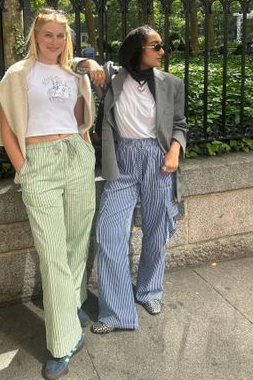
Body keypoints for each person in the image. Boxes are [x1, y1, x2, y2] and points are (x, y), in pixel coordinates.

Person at [0, 8, 104, 379]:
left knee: (76, 242)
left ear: (66, 37)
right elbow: (7, 128)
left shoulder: (74, 73)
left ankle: (73, 304)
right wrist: (23, 170)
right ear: (36, 36)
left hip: (75, 156)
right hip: (38, 163)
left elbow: (80, 120)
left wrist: (86, 150)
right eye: (48, 35)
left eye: (60, 35)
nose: (54, 41)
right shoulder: (18, 75)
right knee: (52, 253)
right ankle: (62, 341)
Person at [76, 25, 188, 334]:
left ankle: (149, 291)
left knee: (156, 228)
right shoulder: (113, 78)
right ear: (138, 49)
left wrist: (174, 151)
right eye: (157, 45)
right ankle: (116, 313)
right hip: (122, 160)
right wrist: (91, 64)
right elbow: (72, 64)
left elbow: (180, 124)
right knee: (109, 233)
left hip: (159, 159)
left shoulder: (171, 84)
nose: (163, 51)